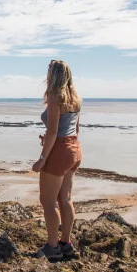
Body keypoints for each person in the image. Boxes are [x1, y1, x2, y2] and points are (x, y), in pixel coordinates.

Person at [32, 60, 82, 260]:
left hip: (60, 150)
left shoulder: (55, 96)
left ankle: (52, 249)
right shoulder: (76, 98)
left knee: (48, 201)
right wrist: (55, 141)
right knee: (66, 199)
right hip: (75, 149)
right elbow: (74, 130)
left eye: (49, 72)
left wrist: (42, 158)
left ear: (53, 75)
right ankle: (66, 244)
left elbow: (53, 131)